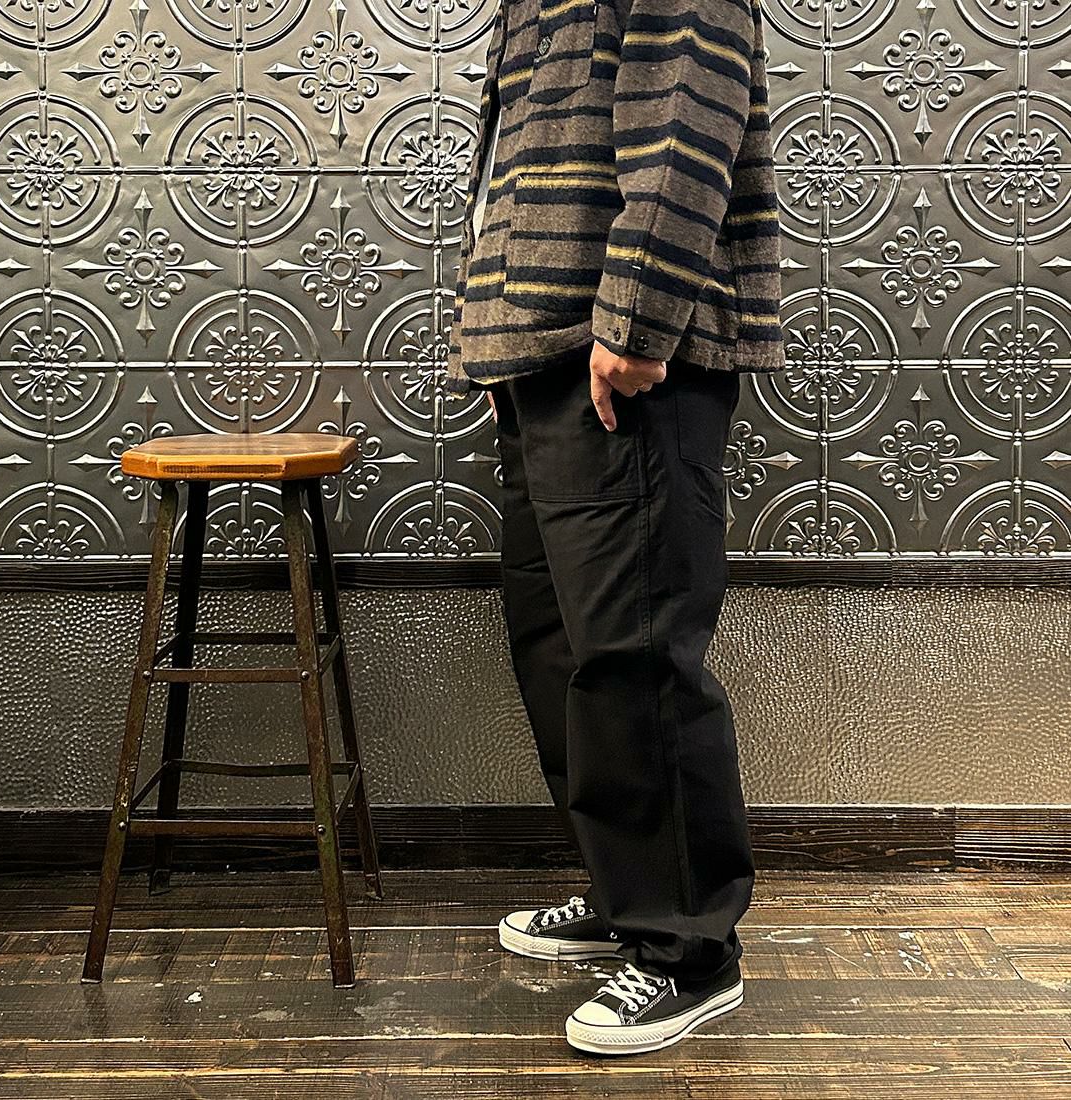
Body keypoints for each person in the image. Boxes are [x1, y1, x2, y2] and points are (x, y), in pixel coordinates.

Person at [444, 0, 785, 1055]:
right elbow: (513, 164)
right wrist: (491, 335)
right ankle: (625, 890)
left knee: (635, 655)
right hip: (539, 345)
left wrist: (637, 322)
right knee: (560, 647)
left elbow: (687, 120)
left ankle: (688, 949)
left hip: (625, 352)